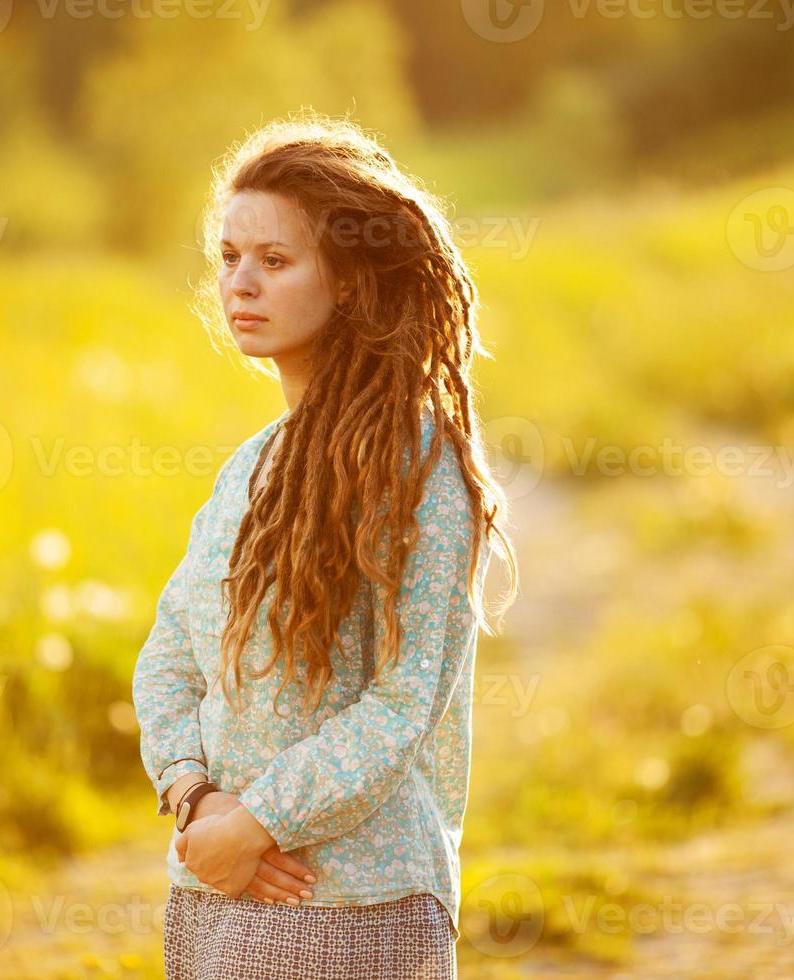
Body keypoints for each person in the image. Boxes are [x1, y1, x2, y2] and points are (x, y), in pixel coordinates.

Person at [132, 112, 519, 980]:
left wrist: (257, 822)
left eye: (276, 260)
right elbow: (167, 658)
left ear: (347, 280)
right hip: (212, 895)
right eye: (230, 257)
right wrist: (199, 802)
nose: (241, 283)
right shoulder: (247, 469)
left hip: (354, 910)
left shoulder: (419, 467)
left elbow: (398, 703)